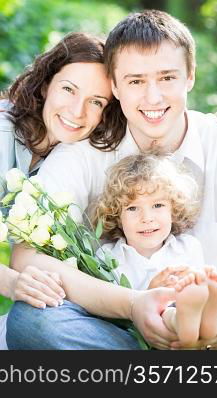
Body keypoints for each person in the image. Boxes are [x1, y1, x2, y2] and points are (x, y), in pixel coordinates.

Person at [5, 10, 217, 350]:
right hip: (114, 329)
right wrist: (132, 304)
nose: (153, 98)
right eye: (136, 81)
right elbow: (27, 257)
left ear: (190, 76)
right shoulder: (84, 151)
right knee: (33, 321)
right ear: (114, 85)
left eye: (167, 78)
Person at [0, 31, 112, 349]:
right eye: (68, 89)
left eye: (96, 101)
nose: (78, 112)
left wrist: (211, 126)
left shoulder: (77, 154)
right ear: (47, 83)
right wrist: (12, 282)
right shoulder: (3, 134)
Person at [92, 153, 217, 346]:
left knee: (186, 301)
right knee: (169, 312)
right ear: (116, 214)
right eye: (132, 208)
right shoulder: (107, 257)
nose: (147, 218)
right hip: (142, 333)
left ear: (174, 209)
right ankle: (186, 322)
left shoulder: (189, 247)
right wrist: (150, 293)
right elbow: (112, 316)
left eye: (157, 205)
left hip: (188, 318)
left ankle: (206, 314)